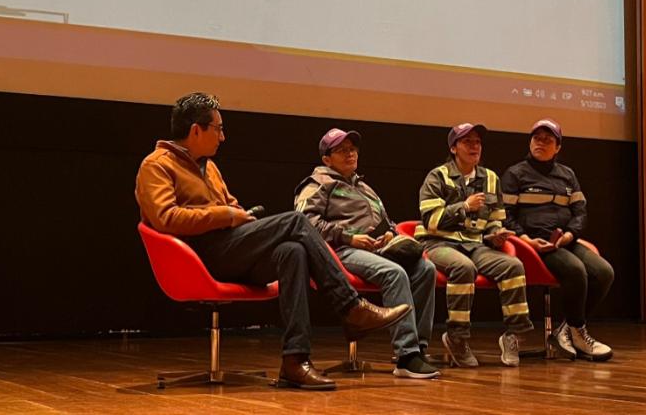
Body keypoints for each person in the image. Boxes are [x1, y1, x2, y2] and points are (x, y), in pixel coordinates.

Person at [135, 93, 411, 390]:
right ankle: (350, 307)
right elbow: (166, 218)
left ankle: (295, 361)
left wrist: (240, 216)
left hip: (229, 247)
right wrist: (226, 216)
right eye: (218, 128)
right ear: (196, 130)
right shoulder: (157, 165)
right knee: (296, 220)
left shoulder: (209, 166)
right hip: (199, 255)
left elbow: (230, 205)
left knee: (292, 252)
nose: (223, 137)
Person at [295, 128, 440, 379]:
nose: (350, 154)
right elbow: (303, 223)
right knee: (394, 273)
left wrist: (390, 234)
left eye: (352, 149)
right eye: (342, 150)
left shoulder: (365, 188)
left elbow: (388, 222)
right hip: (341, 252)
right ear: (326, 159)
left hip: (376, 250)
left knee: (425, 270)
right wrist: (348, 236)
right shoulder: (317, 184)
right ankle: (406, 356)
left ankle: (418, 348)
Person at [415, 123, 534, 368]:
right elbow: (431, 221)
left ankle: (514, 335)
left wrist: (496, 234)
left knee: (512, 266)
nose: (474, 147)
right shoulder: (437, 176)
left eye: (478, 142)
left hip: (475, 244)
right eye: (467, 142)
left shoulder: (490, 178)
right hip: (438, 242)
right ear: (453, 148)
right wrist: (464, 207)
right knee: (463, 267)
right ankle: (457, 337)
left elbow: (494, 220)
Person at [501, 118, 615, 362]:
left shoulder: (567, 175)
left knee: (604, 272)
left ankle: (567, 329)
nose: (540, 143)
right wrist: (525, 239)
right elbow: (505, 216)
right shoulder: (515, 174)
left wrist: (570, 234)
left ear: (558, 147)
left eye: (547, 140)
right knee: (576, 271)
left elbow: (580, 212)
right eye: (536, 138)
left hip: (564, 240)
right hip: (532, 245)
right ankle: (579, 334)